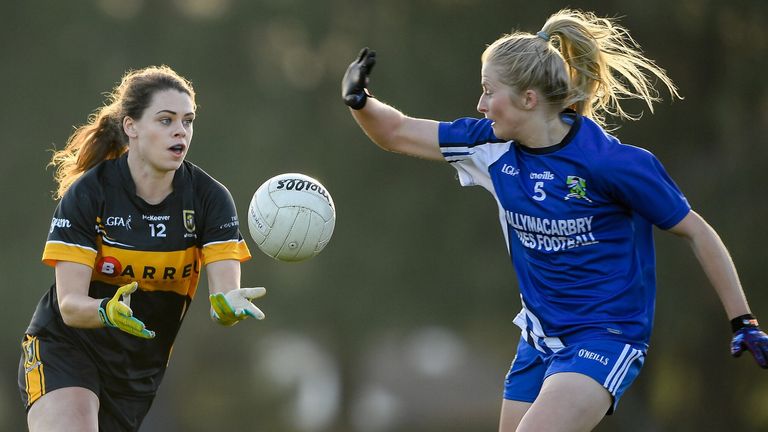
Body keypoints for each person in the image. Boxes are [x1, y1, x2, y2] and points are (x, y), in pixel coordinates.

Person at [341, 8, 768, 432]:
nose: (480, 104)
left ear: (529, 99)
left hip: (606, 337)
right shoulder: (490, 147)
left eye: (489, 92)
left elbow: (696, 230)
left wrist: (743, 320)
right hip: (539, 339)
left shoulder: (610, 163)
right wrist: (360, 102)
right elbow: (396, 132)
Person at [18, 65, 266, 431]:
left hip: (136, 373)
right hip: (66, 347)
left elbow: (225, 292)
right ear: (131, 127)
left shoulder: (210, 199)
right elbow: (70, 306)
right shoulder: (90, 193)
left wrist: (227, 306)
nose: (181, 130)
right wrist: (107, 311)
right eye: (165, 120)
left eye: (188, 120)